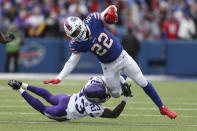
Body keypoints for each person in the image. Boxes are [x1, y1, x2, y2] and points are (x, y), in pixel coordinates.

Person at [44, 5, 178, 119]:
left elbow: (109, 9)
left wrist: (111, 12)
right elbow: (71, 62)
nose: (78, 34)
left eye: (78, 29)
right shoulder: (78, 44)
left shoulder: (92, 20)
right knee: (115, 94)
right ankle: (122, 79)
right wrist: (60, 77)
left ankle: (162, 107)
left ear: (81, 24)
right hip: (108, 66)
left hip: (122, 56)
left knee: (142, 81)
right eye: (74, 33)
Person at [8, 77, 132, 121]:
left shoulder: (91, 83)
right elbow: (114, 114)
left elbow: (106, 77)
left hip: (66, 99)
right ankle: (19, 89)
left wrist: (121, 83)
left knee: (49, 96)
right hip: (63, 112)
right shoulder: (92, 108)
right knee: (44, 109)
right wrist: (125, 97)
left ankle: (22, 85)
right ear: (95, 100)